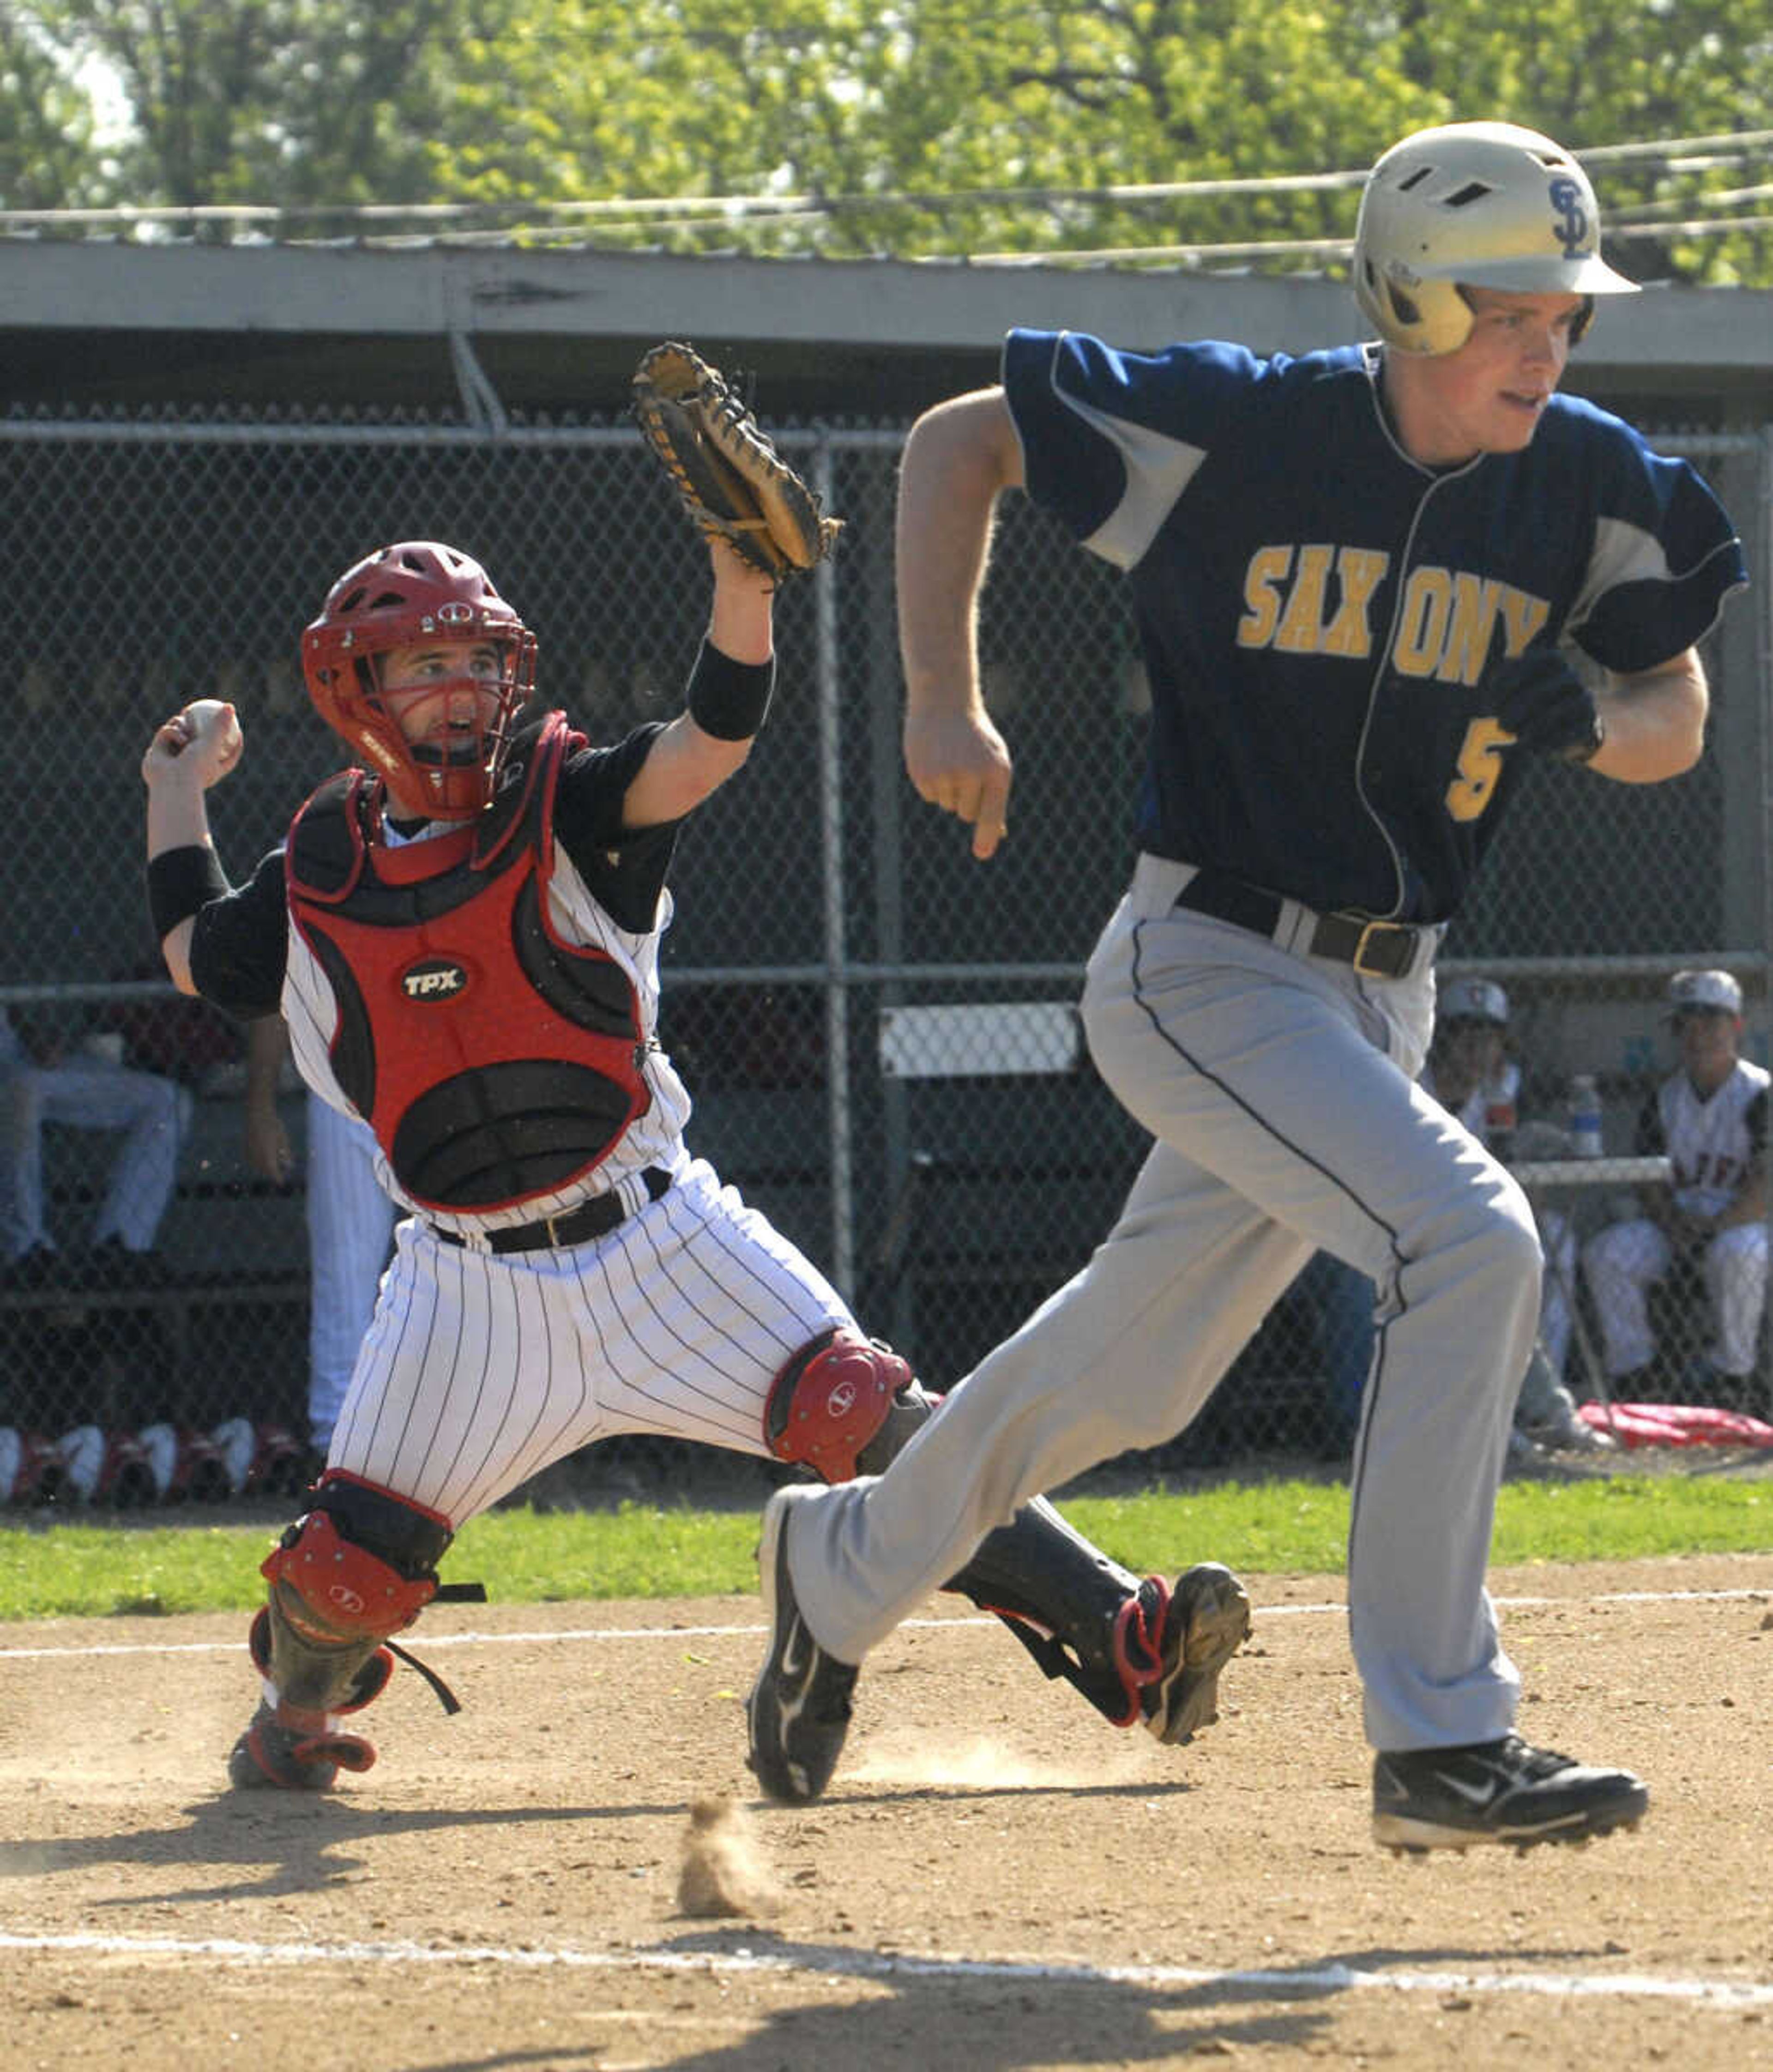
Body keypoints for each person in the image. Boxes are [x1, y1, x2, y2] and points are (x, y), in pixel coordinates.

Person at [745, 120, 1748, 1850]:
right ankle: (1442, 1735)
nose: (1546, 343)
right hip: (1201, 960)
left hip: (1385, 997)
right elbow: (958, 441)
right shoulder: (1246, 425)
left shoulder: (1582, 477)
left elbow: (1678, 714)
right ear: (1407, 294)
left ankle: (835, 1571)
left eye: (1565, 313)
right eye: (1508, 306)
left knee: (1129, 1379)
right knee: (1476, 1236)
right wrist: (938, 697)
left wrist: (1592, 718)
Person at [142, 531, 1251, 1794]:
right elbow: (194, 949)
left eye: (479, 658)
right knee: (341, 1572)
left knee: (881, 1426)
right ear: (359, 689)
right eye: (427, 662)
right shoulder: (323, 865)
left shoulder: (570, 800)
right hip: (465, 1285)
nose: (464, 687)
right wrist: (176, 789)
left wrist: (743, 588)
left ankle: (1127, 1637)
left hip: (659, 1233)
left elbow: (706, 741)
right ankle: (291, 1717)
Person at [1420, 976, 1610, 1456]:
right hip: (1424, 1230)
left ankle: (1548, 1409)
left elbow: (1537, 1161)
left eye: (1488, 1035)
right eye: (1464, 1033)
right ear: (1440, 1036)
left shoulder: (1507, 1090)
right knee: (1488, 1290)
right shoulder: (1412, 1087)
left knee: (1550, 1247)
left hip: (1487, 1227)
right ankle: (1516, 1416)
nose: (1476, 1046)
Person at [1583, 969, 1768, 1397]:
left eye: (1710, 1021)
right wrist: (1675, 1226)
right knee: (1608, 1253)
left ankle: (1734, 1375)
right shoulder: (1665, 1098)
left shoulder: (1760, 1093)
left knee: (1737, 1253)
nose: (1697, 1034)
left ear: (1737, 1025)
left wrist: (1714, 1229)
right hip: (1680, 1226)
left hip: (1748, 1226)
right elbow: (1649, 1181)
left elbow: (1765, 1186)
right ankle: (1637, 1373)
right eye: (1686, 1023)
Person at [243, 1014, 396, 1466]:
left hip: (441, 1066)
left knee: (473, 1263)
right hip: (342, 1073)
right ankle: (337, 1455)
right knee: (345, 1271)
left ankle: (482, 1446)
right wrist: (260, 1107)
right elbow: (273, 988)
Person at [0, 1001, 188, 1281]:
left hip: (19, 1063)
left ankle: (123, 1245)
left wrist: (34, 1038)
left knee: (167, 1099)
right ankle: (27, 1249)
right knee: (22, 1091)